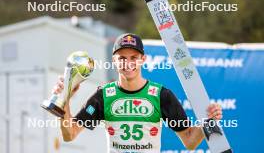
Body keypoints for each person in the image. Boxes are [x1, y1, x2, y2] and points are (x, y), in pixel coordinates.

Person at [52, 33, 223, 153]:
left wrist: (208, 121)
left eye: (134, 57)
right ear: (114, 61)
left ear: (143, 59)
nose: (128, 63)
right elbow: (70, 134)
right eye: (122, 58)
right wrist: (64, 98)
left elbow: (190, 141)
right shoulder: (103, 95)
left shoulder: (161, 95)